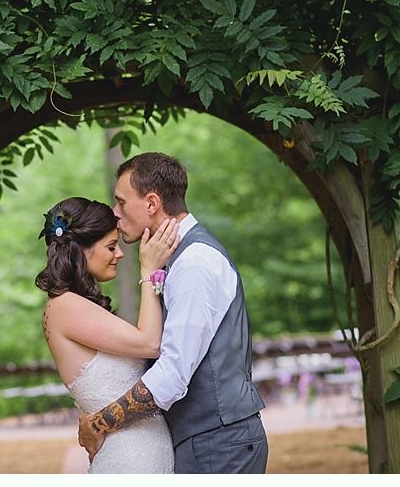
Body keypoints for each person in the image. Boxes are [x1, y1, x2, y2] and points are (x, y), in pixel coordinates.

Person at [77, 152, 269, 473]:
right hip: (207, 441)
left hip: (219, 444)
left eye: (122, 202)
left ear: (152, 203)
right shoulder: (175, 259)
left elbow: (173, 374)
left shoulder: (194, 263)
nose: (115, 213)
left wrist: (99, 423)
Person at [35, 196, 180, 473]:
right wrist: (149, 272)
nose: (120, 254)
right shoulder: (64, 305)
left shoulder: (73, 305)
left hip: (141, 453)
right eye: (111, 246)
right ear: (80, 251)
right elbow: (150, 343)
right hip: (129, 459)